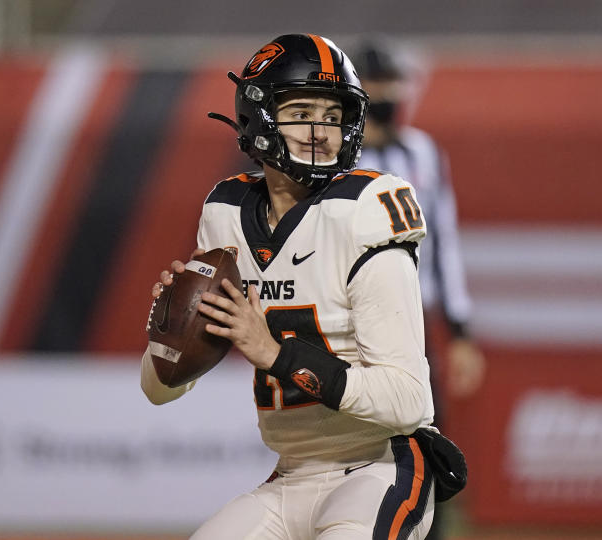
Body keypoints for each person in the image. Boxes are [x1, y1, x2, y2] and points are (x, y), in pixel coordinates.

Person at [141, 34, 460, 539]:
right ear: (259, 118)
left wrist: (275, 354)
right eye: (302, 111)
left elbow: (409, 401)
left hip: (380, 467)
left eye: (333, 117)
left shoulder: (367, 209)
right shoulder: (226, 213)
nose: (321, 130)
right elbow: (157, 391)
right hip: (290, 475)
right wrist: (170, 331)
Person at [353, 40, 486, 539]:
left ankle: (430, 529)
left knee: (425, 431)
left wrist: (461, 330)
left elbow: (444, 241)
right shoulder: (335, 162)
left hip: (414, 319)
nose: (386, 93)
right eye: (375, 83)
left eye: (390, 83)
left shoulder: (422, 151)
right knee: (357, 433)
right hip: (353, 320)